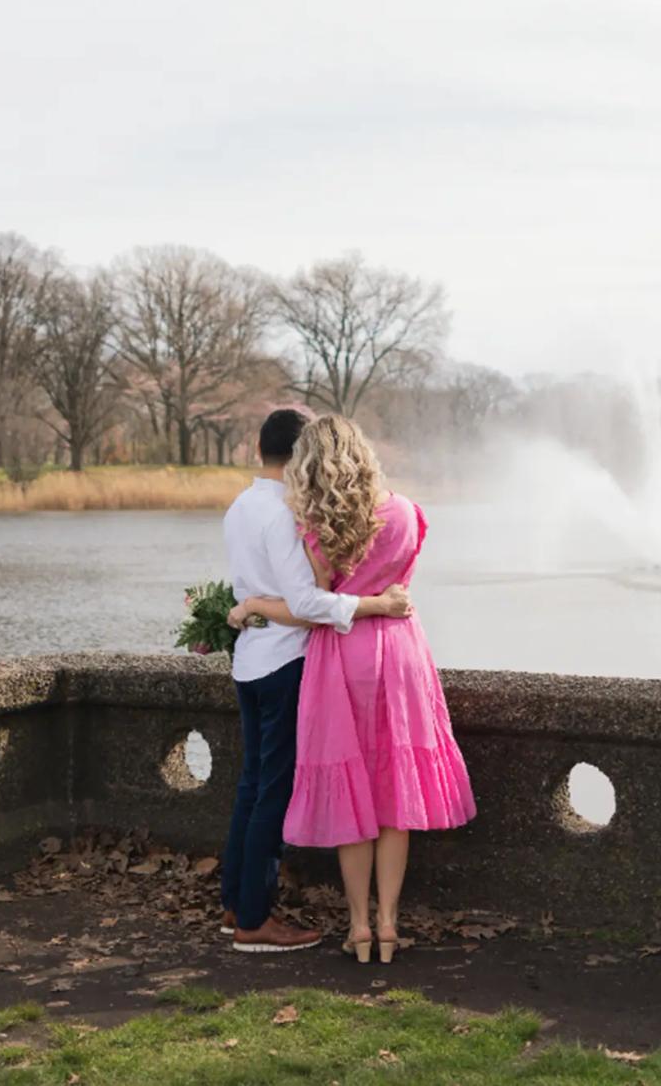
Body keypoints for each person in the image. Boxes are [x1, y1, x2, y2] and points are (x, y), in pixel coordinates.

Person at [230, 415, 476, 965]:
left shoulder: (316, 525)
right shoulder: (410, 514)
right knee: (393, 796)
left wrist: (250, 606)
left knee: (354, 794)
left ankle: (359, 927)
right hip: (401, 654)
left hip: (342, 659)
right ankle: (390, 925)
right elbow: (402, 583)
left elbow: (313, 606)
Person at [219, 407, 413, 954]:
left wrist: (251, 604)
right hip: (284, 662)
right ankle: (254, 921)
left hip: (250, 661)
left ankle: (235, 903)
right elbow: (306, 604)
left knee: (252, 784)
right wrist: (378, 603)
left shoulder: (240, 506)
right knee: (272, 792)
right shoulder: (284, 513)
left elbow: (250, 587)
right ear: (303, 453)